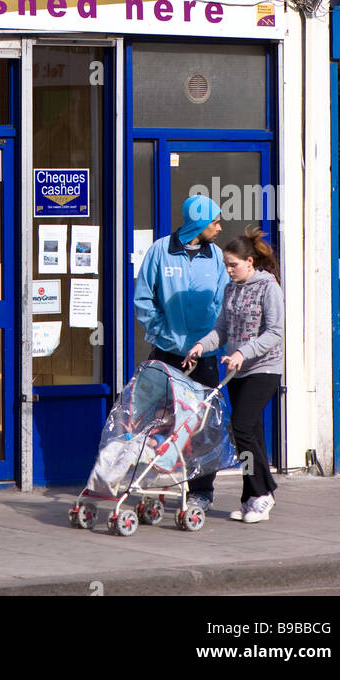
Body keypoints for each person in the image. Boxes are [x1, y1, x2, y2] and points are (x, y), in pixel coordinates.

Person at [184, 225, 284, 524]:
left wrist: (244, 351)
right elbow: (222, 330)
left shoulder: (269, 287)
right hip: (237, 371)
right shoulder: (231, 289)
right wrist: (202, 345)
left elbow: (276, 332)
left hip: (264, 368)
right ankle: (253, 498)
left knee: (240, 427)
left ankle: (263, 493)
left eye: (234, 265)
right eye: (226, 265)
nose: (229, 271)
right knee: (251, 433)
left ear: (250, 262)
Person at [134, 193, 227, 510]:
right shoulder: (160, 251)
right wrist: (164, 335)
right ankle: (155, 482)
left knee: (204, 425)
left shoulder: (215, 256)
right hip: (167, 353)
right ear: (198, 223)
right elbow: (144, 300)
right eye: (214, 221)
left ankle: (202, 491)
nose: (219, 227)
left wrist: (211, 338)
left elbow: (224, 300)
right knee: (157, 420)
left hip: (204, 355)